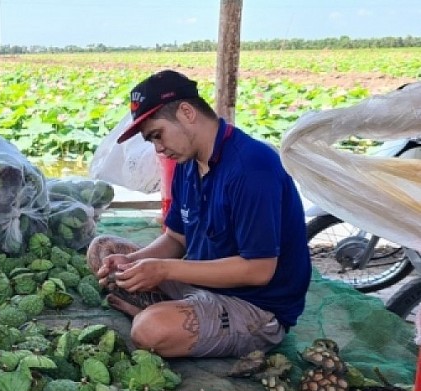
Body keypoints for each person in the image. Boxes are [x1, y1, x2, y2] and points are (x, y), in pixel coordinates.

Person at [89, 69, 311, 358]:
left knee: (149, 330)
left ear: (186, 112)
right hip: (199, 279)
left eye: (158, 135)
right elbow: (176, 239)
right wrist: (133, 261)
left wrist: (164, 269)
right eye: (151, 141)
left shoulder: (252, 168)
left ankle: (160, 315)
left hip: (254, 306)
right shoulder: (187, 164)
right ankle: (171, 310)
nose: (158, 148)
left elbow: (258, 270)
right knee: (103, 249)